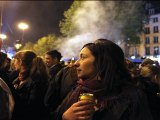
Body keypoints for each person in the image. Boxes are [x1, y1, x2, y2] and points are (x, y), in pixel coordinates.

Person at [52, 38, 152, 120]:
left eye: (83, 57)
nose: (76, 63)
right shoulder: (76, 89)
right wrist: (64, 117)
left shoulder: (133, 96)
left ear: (102, 62)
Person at [11, 50, 50, 120]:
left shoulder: (37, 81)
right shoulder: (18, 78)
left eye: (15, 60)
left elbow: (33, 107)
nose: (13, 63)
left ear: (20, 62)